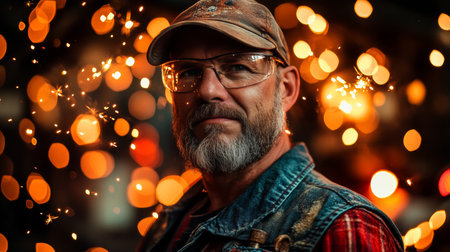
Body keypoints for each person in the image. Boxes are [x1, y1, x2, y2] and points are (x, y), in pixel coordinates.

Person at [138, 0, 404, 251]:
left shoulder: (343, 227)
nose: (207, 90)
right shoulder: (167, 225)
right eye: (187, 72)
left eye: (237, 67)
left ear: (286, 89)